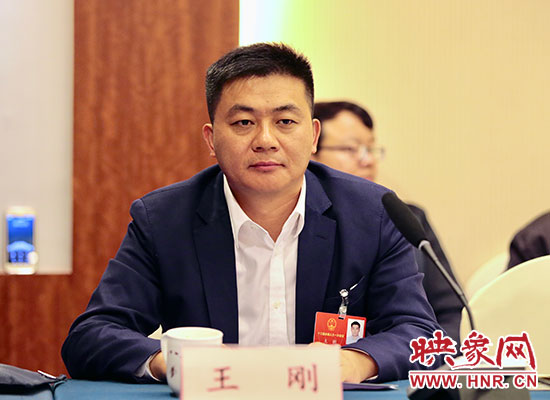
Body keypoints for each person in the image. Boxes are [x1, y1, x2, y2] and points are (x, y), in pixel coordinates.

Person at [62, 43, 442, 384]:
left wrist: (350, 363)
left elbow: (419, 332)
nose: (265, 140)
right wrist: (176, 362)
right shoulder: (164, 219)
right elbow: (91, 336)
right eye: (244, 122)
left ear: (313, 136)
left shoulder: (372, 214)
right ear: (211, 139)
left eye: (285, 122)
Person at [312, 101, 462, 344]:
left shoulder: (407, 219)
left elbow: (450, 312)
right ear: (311, 149)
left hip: (403, 360)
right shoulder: (297, 221)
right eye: (351, 149)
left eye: (370, 148)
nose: (368, 160)